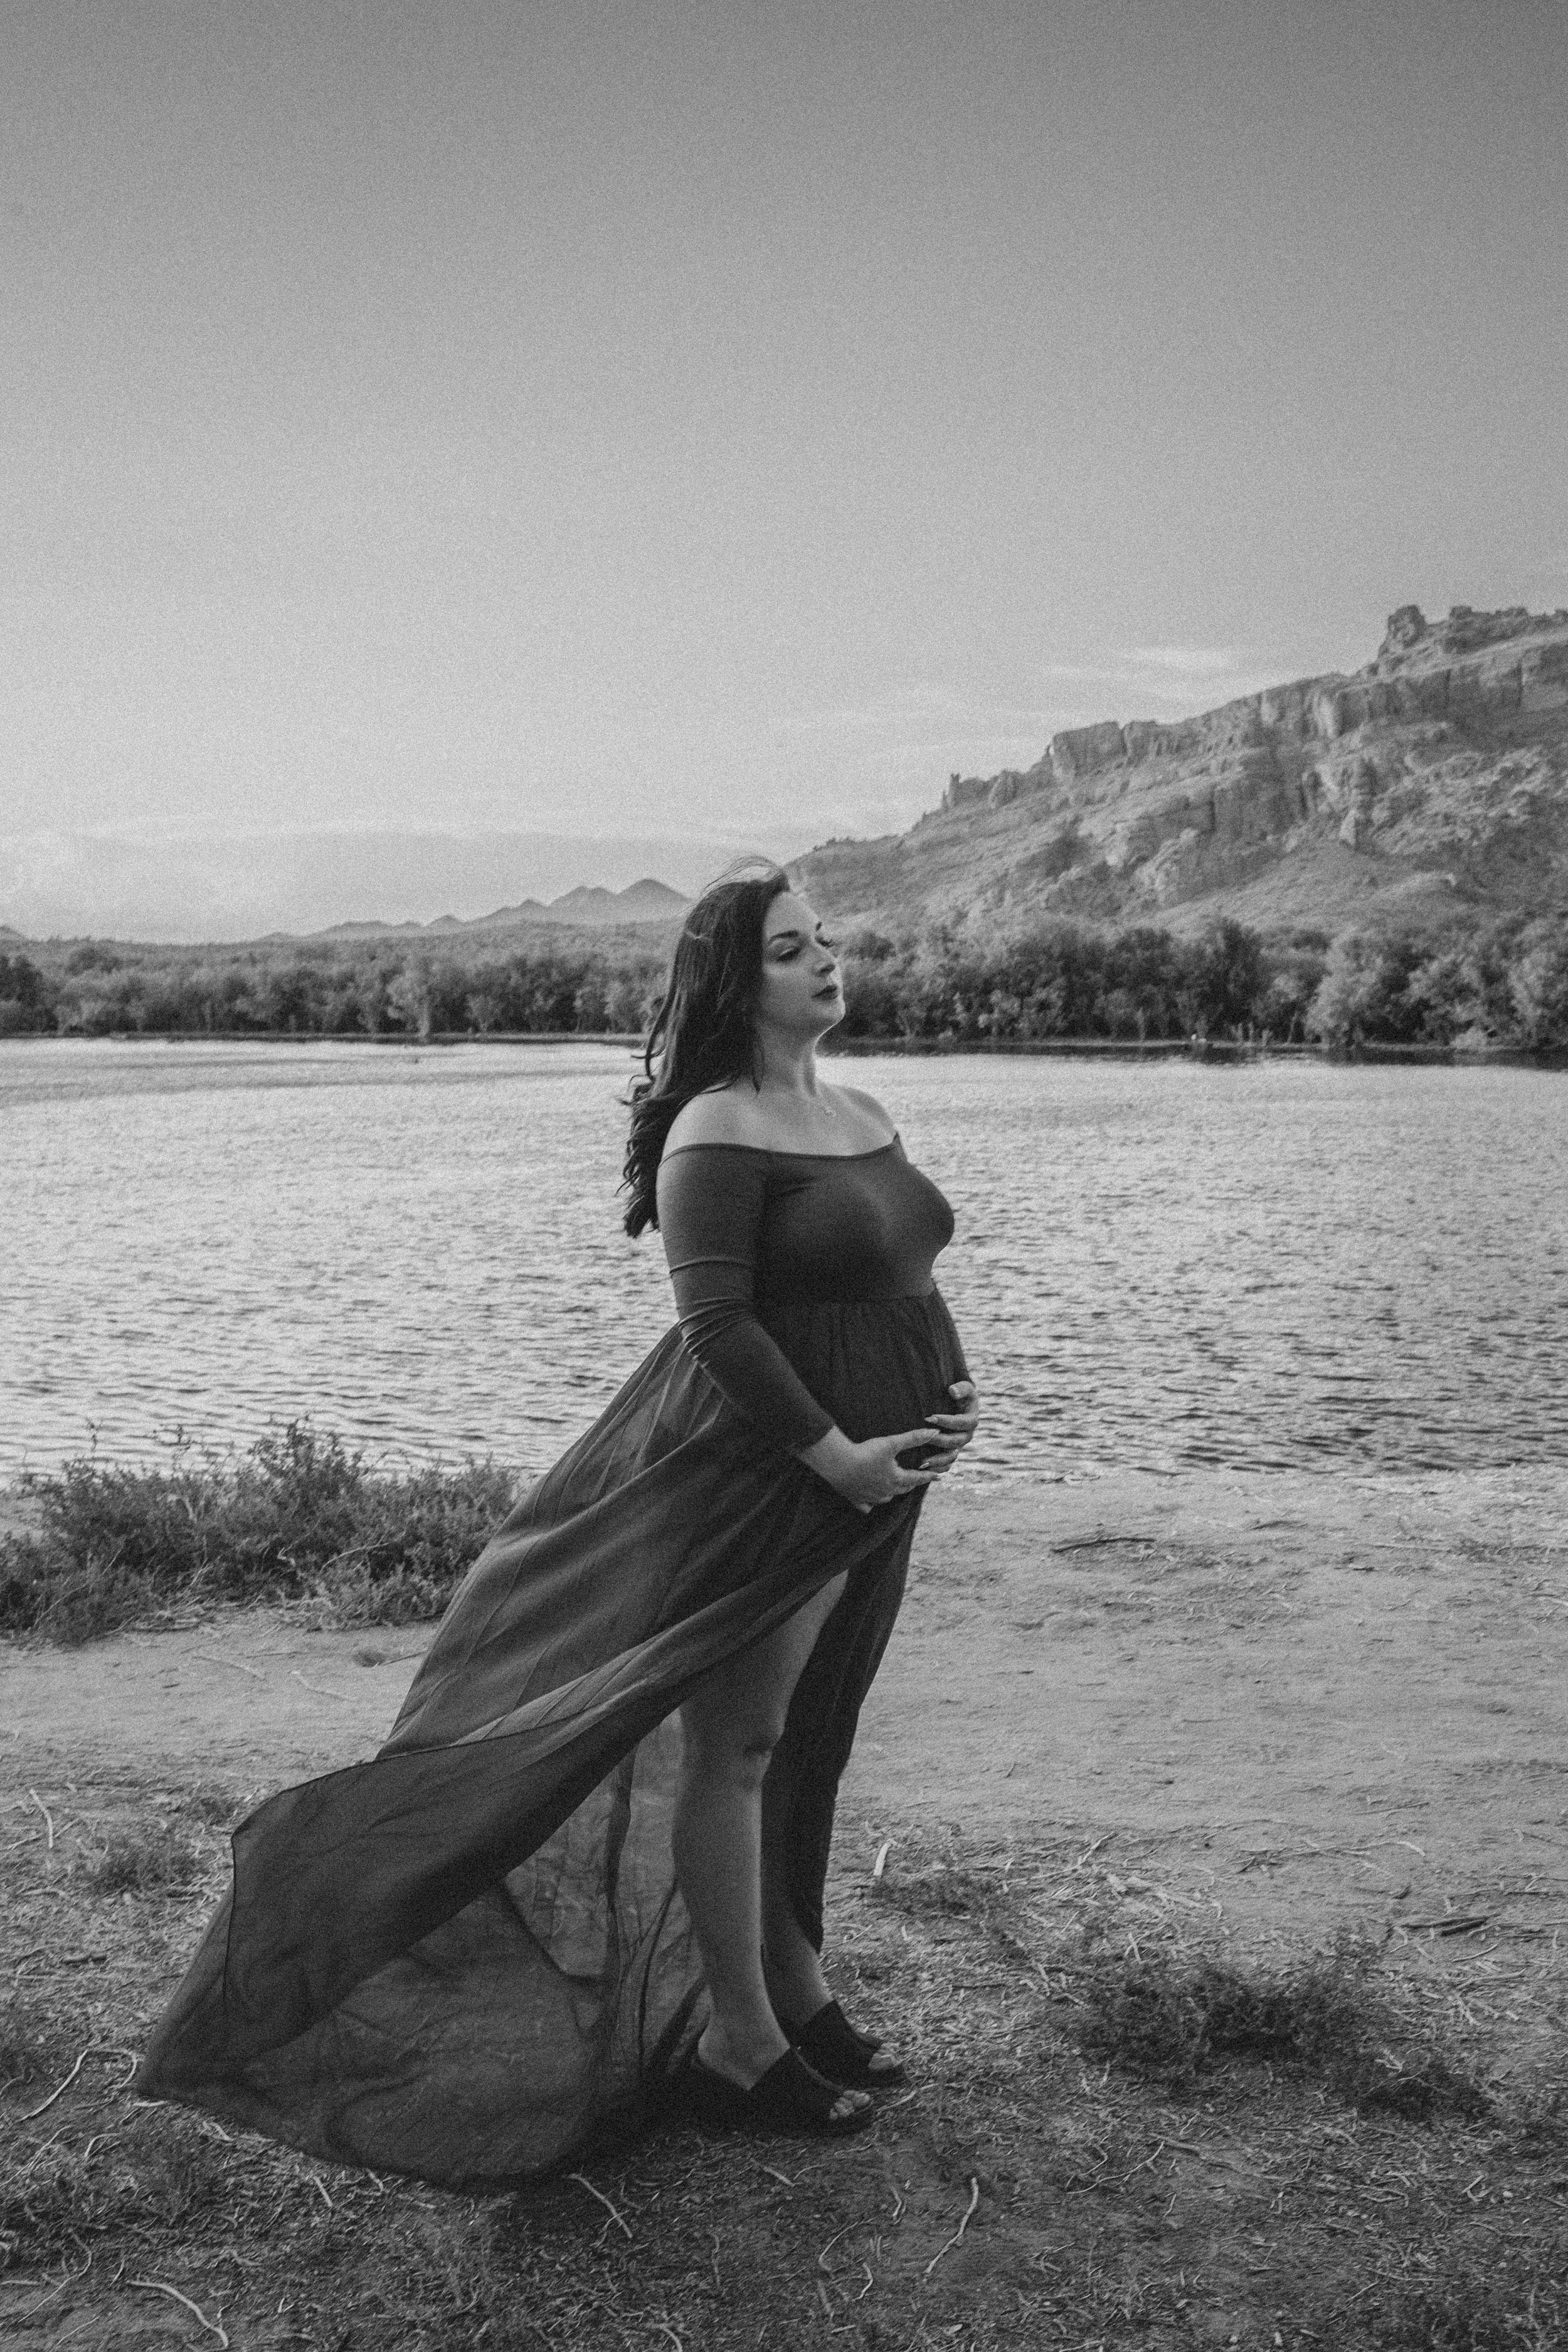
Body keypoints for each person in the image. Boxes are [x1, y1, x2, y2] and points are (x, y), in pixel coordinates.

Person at [137, 866, 978, 2183]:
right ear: (729, 983)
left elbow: (896, 1273)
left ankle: (800, 1992)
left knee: (811, 1736)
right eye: (786, 951)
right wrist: (831, 1453)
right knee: (743, 1744)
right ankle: (742, 2049)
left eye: (824, 942)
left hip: (882, 1472)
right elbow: (717, 1326)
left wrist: (946, 1397)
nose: (823, 964)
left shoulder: (861, 1111)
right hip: (769, 1474)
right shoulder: (714, 1127)